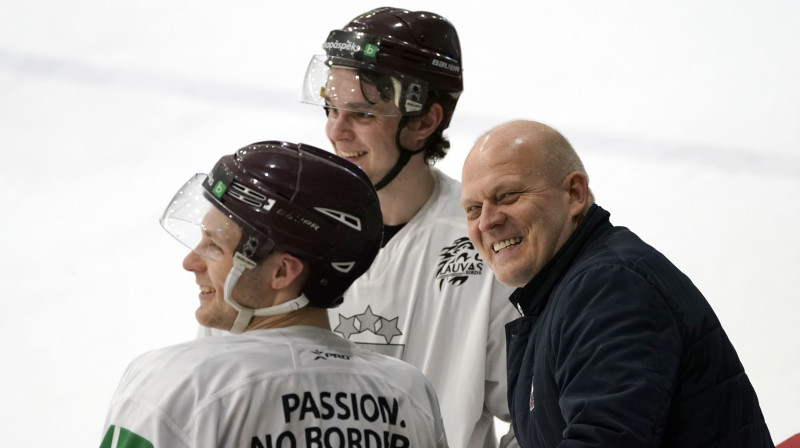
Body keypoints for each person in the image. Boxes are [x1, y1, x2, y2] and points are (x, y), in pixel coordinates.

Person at [100, 141, 448, 448]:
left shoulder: (176, 383)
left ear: (282, 272)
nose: (191, 262)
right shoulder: (409, 394)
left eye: (214, 246)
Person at [460, 120, 774, 447]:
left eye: (507, 195)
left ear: (575, 193)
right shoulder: (560, 295)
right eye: (473, 209)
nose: (487, 222)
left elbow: (604, 439)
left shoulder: (608, 286)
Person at [298, 7, 521, 448]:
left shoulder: (489, 242)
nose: (336, 131)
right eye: (331, 108)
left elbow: (538, 416)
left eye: (362, 115)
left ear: (423, 122)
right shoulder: (290, 230)